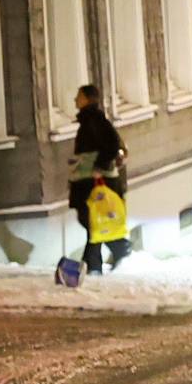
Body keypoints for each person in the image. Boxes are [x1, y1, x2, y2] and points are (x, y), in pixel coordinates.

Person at [70, 84, 129, 273]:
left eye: (78, 96)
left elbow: (111, 145)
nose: (75, 100)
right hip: (90, 182)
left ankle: (95, 263)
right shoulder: (90, 120)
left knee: (92, 221)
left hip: (95, 183)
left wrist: (98, 167)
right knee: (93, 222)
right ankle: (104, 258)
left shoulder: (94, 121)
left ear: (88, 99)